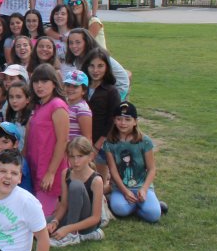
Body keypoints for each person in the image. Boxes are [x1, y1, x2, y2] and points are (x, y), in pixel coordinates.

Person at [105, 101, 162, 222]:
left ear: (135, 121)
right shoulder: (109, 143)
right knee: (119, 210)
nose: (123, 123)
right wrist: (125, 191)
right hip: (121, 187)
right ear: (114, 120)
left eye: (127, 119)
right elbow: (113, 171)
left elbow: (151, 169)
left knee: (154, 215)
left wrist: (144, 189)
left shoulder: (144, 141)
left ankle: (147, 206)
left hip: (141, 185)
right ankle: (136, 205)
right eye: (119, 119)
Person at [26, 64, 71, 216]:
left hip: (51, 167)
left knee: (39, 217)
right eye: (36, 82)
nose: (39, 86)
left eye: (44, 81)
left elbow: (62, 141)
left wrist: (51, 172)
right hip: (35, 164)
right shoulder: (38, 106)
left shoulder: (57, 105)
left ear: (54, 83)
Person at [48, 136, 106, 247]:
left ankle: (73, 236)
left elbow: (95, 218)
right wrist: (54, 221)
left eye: (80, 156)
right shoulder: (66, 173)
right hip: (71, 216)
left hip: (87, 223)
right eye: (72, 157)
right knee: (41, 228)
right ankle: (84, 236)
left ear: (90, 157)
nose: (75, 161)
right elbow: (64, 205)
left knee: (76, 186)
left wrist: (69, 228)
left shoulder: (96, 180)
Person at [82, 47, 121, 189]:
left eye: (100, 66)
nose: (95, 70)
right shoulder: (82, 87)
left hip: (102, 143)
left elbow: (112, 121)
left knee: (98, 181)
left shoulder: (111, 91)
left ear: (107, 67)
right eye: (92, 66)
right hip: (83, 140)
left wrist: (97, 146)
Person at [65, 29, 129, 98]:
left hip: (119, 88)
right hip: (100, 87)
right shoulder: (77, 59)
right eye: (71, 43)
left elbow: (123, 80)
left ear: (86, 42)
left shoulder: (97, 57)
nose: (74, 46)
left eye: (78, 42)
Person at [63, 70, 93, 141]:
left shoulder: (82, 108)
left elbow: (87, 138)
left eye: (75, 86)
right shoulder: (64, 103)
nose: (70, 89)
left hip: (75, 150)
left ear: (84, 91)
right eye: (68, 85)